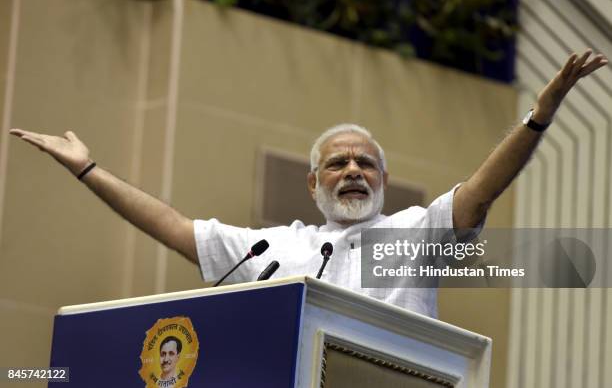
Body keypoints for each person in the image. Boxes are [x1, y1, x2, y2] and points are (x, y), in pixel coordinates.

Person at [9, 50, 608, 318]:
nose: (352, 170)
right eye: (337, 163)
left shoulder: (415, 231)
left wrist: (542, 114)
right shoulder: (276, 248)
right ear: (313, 183)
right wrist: (88, 169)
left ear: (384, 179)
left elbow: (482, 189)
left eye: (365, 163)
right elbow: (172, 227)